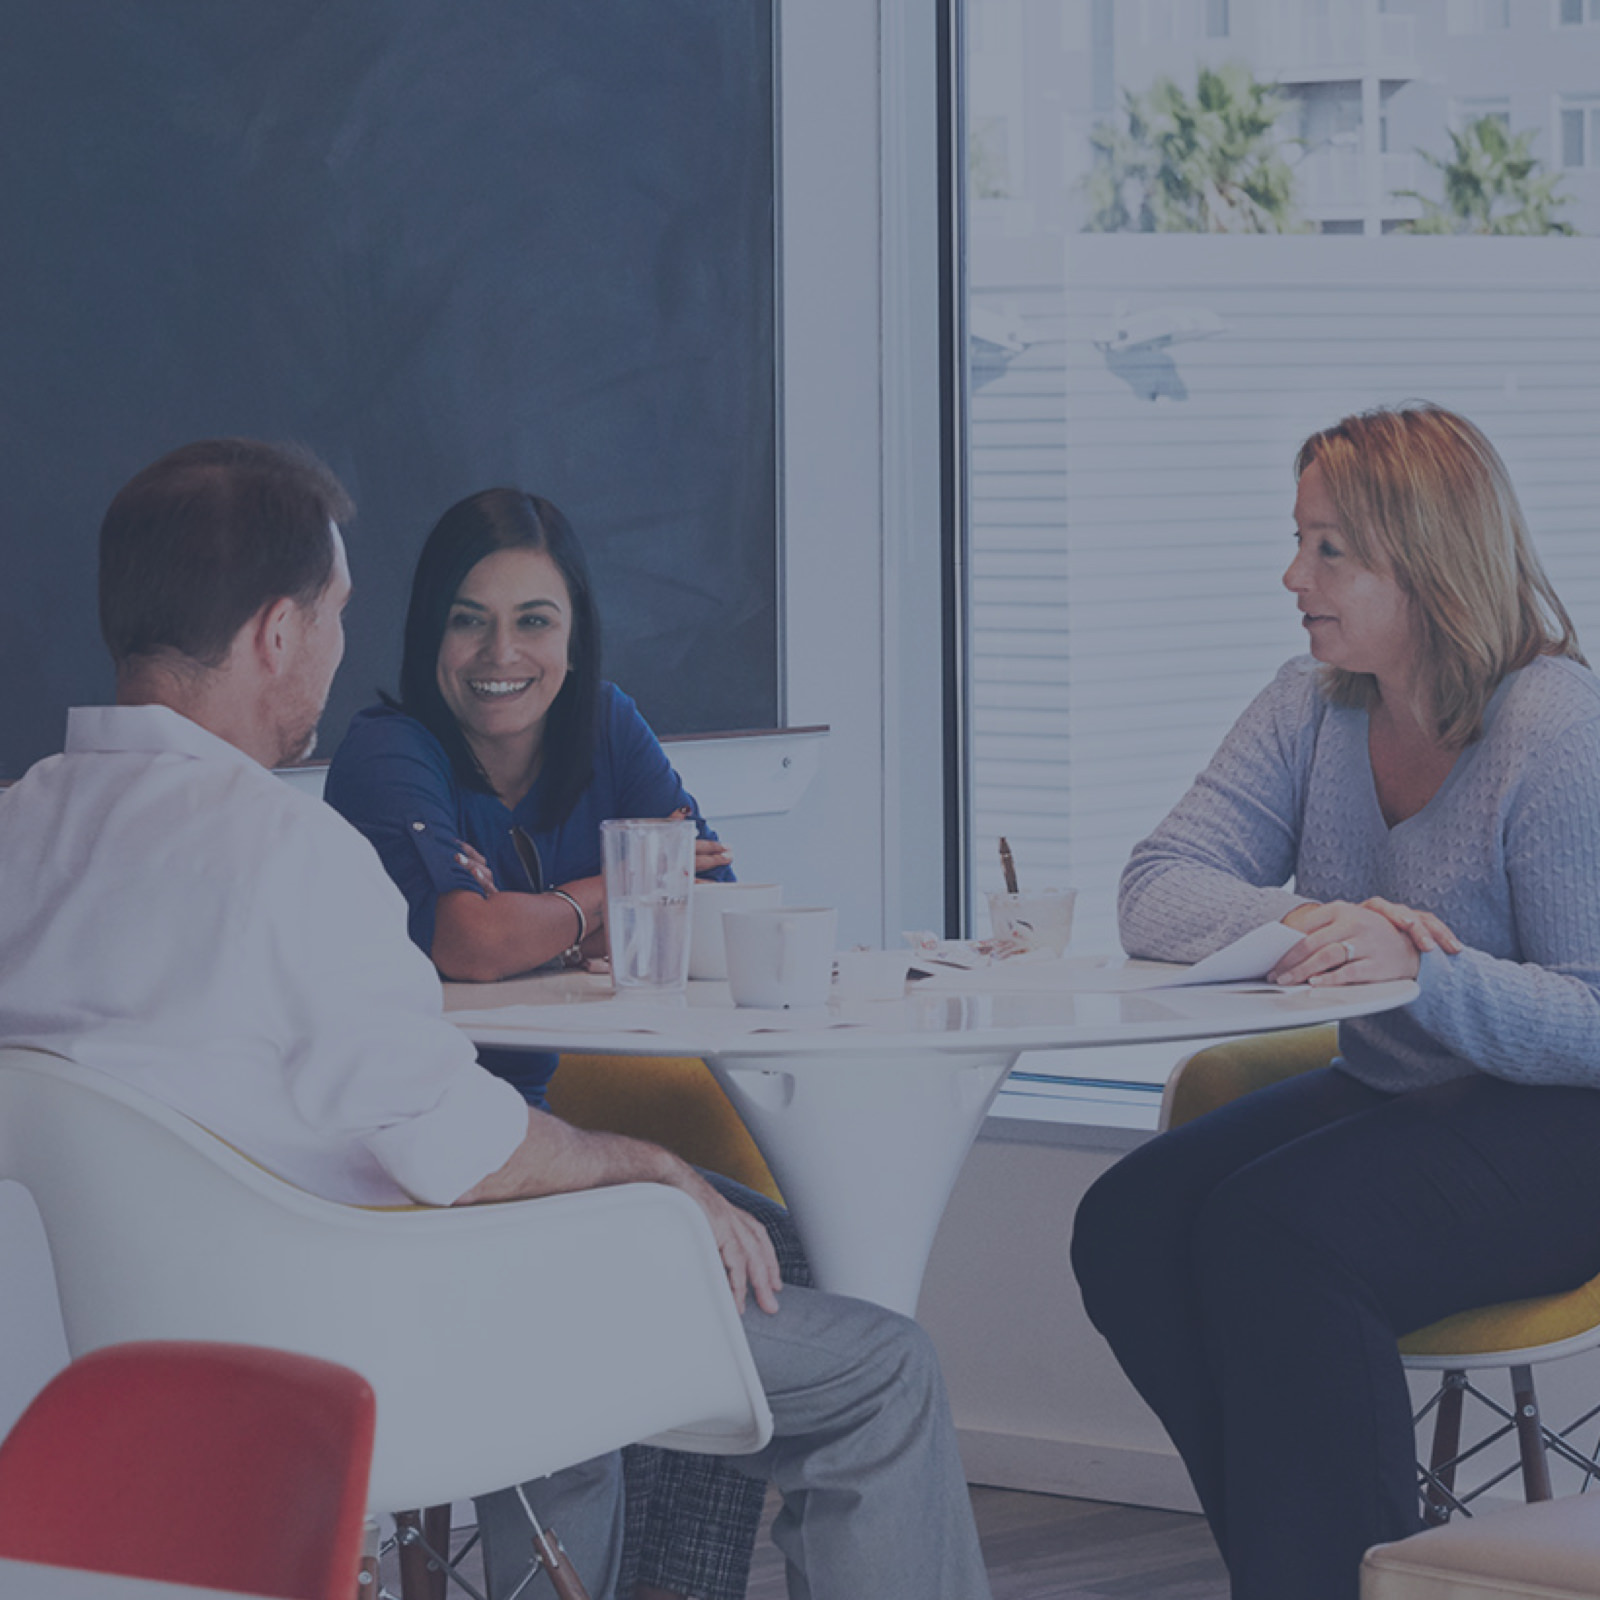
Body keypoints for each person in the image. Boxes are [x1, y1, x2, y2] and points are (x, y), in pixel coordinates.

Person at [0, 438, 993, 1600]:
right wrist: (654, 1169)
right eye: (334, 614)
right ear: (278, 632)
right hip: (385, 1345)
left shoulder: (23, 831)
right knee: (883, 1370)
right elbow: (460, 1148)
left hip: (110, 1372)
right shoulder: (281, 848)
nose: (335, 650)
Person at [1069, 403, 1600, 1600]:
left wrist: (1419, 969)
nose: (1290, 575)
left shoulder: (1553, 726)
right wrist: (1311, 923)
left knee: (1277, 1235)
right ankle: (1312, 1569)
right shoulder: (1314, 700)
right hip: (1405, 1088)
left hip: (1566, 1120)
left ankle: (1323, 1576)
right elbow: (1155, 884)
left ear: (1424, 560)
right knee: (1128, 1224)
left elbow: (1594, 1013)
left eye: (1327, 550)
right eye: (1298, 541)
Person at [323, 488, 801, 1600]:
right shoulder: (387, 751)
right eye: (466, 619)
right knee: (707, 1264)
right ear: (425, 633)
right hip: (438, 1161)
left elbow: (712, 880)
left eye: (534, 619)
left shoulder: (608, 727)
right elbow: (472, 940)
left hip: (537, 1137)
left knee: (771, 1247)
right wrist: (609, 894)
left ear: (574, 633)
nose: (502, 652)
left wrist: (556, 907)